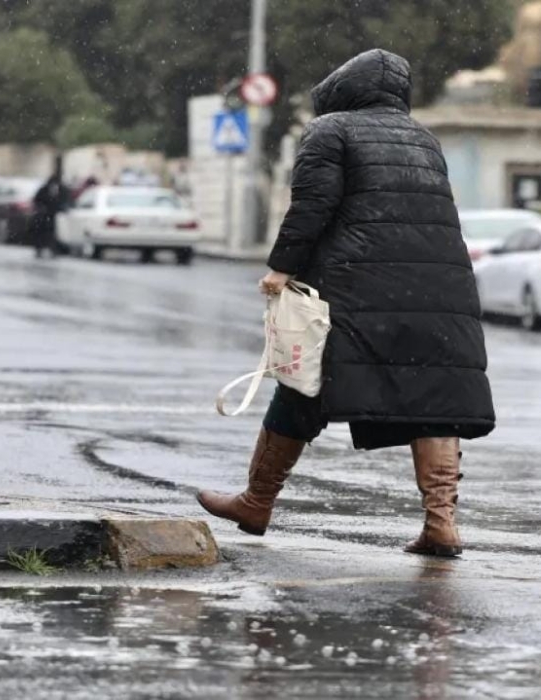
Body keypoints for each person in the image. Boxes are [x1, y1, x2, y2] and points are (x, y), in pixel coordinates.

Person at [196, 49, 496, 558]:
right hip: (439, 289)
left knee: (304, 385)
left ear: (342, 88)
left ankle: (257, 501)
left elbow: (313, 205)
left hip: (357, 285)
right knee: (436, 399)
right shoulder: (423, 137)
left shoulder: (330, 130)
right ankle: (441, 523)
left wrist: (281, 268)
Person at [31, 173, 69, 259]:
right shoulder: (44, 190)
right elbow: (37, 200)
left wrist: (62, 208)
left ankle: (53, 249)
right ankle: (40, 249)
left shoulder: (62, 190)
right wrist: (41, 208)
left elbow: (65, 201)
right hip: (44, 216)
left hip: (56, 216)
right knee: (42, 233)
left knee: (54, 233)